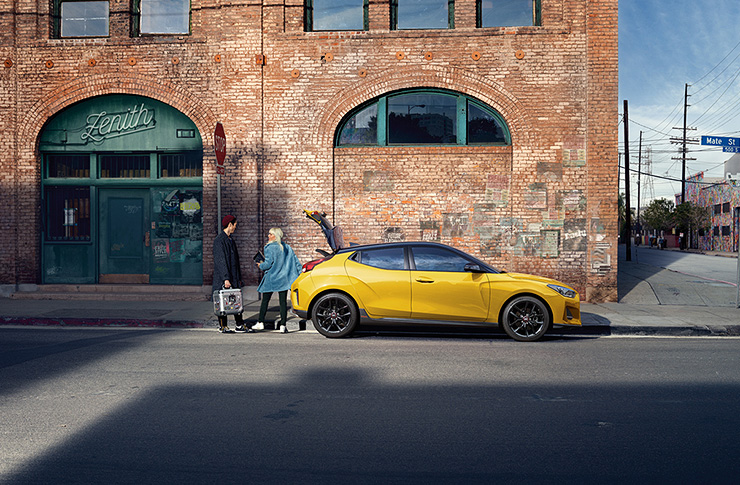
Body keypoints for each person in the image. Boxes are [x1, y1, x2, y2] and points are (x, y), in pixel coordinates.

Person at [254, 227, 302, 333]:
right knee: (283, 302)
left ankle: (260, 322)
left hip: (272, 278)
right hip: (284, 279)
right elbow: (296, 261)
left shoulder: (269, 247)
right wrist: (300, 273)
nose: (268, 236)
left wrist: (260, 265)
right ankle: (283, 325)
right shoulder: (287, 247)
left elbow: (268, 264)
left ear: (275, 236)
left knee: (265, 301)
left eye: (270, 234)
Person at [213, 214, 251, 333]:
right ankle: (222, 325)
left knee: (235, 300)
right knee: (223, 300)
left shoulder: (230, 240)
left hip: (233, 276)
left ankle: (239, 324)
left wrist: (238, 278)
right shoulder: (219, 240)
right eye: (235, 225)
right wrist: (225, 278)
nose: (235, 227)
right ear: (230, 225)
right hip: (224, 277)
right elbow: (220, 260)